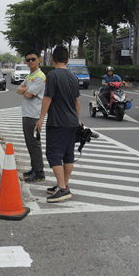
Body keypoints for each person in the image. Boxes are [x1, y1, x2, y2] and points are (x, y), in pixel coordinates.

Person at [35, 46, 81, 203]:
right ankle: (65, 185)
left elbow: (48, 98)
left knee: (53, 154)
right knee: (68, 155)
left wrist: (41, 118)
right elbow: (76, 101)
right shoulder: (73, 77)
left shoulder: (53, 75)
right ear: (67, 60)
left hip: (58, 122)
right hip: (73, 123)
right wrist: (79, 120)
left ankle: (62, 188)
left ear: (52, 59)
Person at [17, 49, 46, 183]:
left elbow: (27, 94)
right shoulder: (30, 76)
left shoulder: (40, 76)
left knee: (34, 145)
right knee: (29, 144)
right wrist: (28, 90)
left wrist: (27, 91)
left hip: (34, 115)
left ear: (39, 60)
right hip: (27, 114)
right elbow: (19, 90)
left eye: (33, 59)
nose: (30, 61)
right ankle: (34, 169)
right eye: (28, 59)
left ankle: (39, 173)